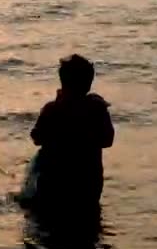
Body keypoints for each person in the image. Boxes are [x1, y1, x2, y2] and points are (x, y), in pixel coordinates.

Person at [16, 54, 115, 218]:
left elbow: (37, 137)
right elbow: (108, 140)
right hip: (88, 182)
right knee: (87, 224)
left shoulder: (53, 109)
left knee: (49, 223)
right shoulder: (97, 109)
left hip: (54, 182)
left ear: (63, 81)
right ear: (89, 83)